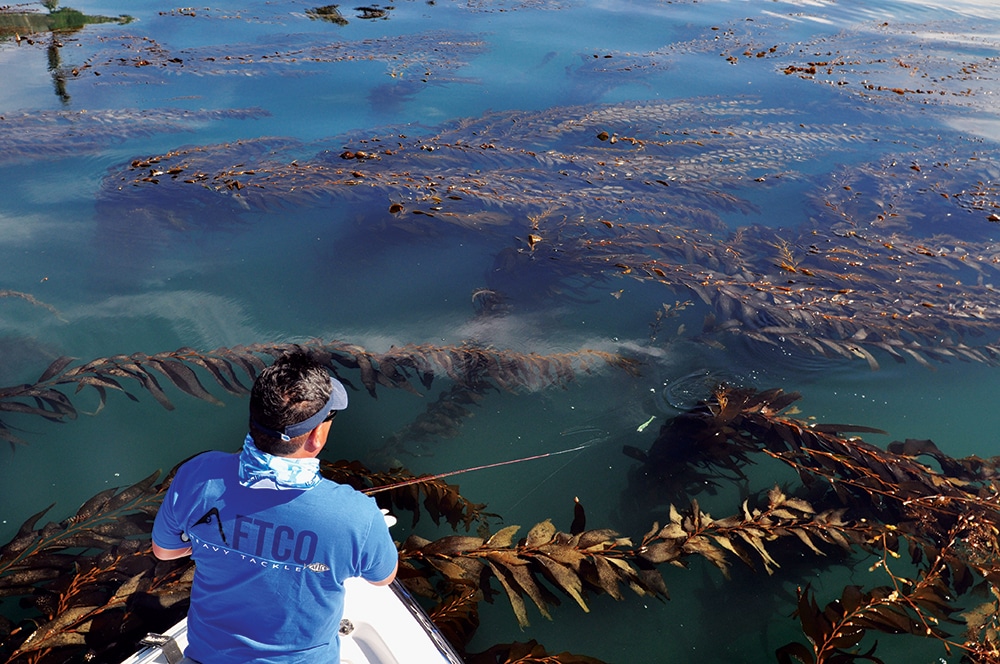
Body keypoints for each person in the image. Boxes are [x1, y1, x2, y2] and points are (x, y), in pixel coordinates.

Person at [152, 352, 398, 663]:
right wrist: (368, 529)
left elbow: (164, 551)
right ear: (316, 437)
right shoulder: (357, 515)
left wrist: (217, 540)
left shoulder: (198, 474)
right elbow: (383, 578)